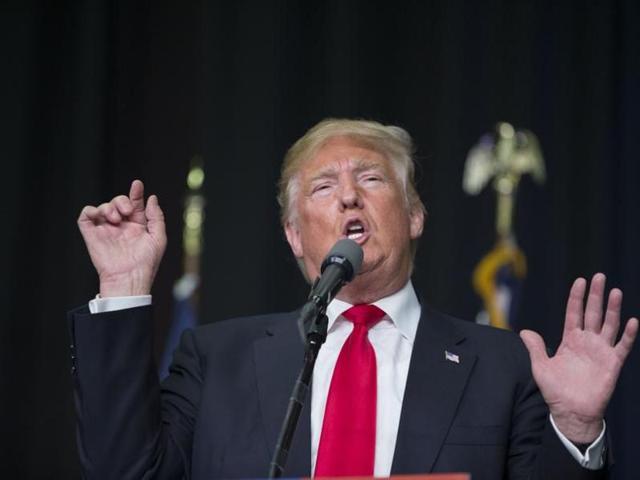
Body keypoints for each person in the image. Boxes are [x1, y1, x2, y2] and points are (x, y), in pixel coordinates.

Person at [70, 119, 638, 480]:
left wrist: (576, 431)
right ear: (293, 234)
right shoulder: (218, 358)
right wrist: (122, 288)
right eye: (323, 186)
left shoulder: (503, 365)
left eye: (370, 179)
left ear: (414, 215)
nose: (347, 195)